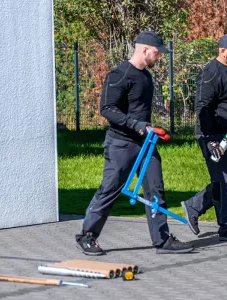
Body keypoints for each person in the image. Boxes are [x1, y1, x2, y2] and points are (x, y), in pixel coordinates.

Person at [75, 31, 194, 255]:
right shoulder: (120, 74)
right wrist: (137, 125)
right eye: (157, 53)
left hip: (146, 144)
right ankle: (87, 236)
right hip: (121, 143)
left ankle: (162, 240)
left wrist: (148, 128)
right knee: (110, 189)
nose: (158, 58)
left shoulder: (146, 77)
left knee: (155, 189)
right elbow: (107, 109)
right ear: (144, 49)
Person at [180, 33, 227, 241]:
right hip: (215, 134)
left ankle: (194, 206)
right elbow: (202, 108)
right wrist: (210, 138)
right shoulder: (210, 73)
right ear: (222, 51)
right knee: (226, 180)